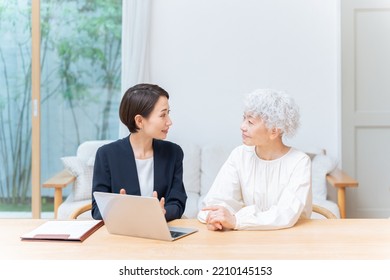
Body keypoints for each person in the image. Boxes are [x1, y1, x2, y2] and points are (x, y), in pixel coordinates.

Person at [197, 89, 312, 230]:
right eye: (244, 118)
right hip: (250, 238)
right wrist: (216, 218)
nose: (242, 126)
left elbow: (285, 214)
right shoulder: (240, 155)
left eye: (250, 122)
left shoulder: (300, 162)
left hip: (292, 239)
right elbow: (215, 201)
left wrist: (236, 220)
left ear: (274, 131)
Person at [91, 83, 187, 222]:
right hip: (123, 234)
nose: (169, 122)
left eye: (168, 113)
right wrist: (122, 210)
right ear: (140, 121)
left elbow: (177, 203)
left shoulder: (174, 153)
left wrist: (161, 213)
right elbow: (97, 210)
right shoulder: (106, 155)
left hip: (161, 231)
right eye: (162, 115)